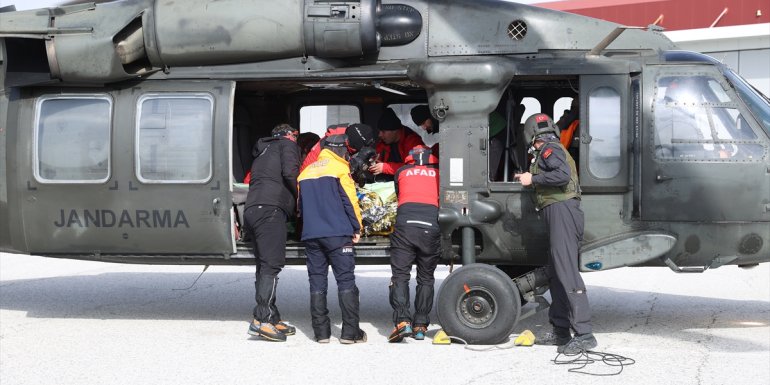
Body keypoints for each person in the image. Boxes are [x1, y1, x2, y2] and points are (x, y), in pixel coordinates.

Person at [513, 113, 597, 354]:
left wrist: (532, 178)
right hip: (556, 211)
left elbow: (562, 176)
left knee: (567, 272)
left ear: (531, 135)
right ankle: (561, 330)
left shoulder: (550, 149)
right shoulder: (549, 149)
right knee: (557, 273)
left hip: (563, 211)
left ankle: (585, 334)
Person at [297, 134, 367, 344]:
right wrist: (357, 228)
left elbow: (300, 208)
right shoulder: (340, 169)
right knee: (345, 281)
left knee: (317, 283)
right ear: (339, 150)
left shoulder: (305, 173)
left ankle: (321, 334)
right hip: (338, 234)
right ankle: (350, 333)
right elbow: (350, 201)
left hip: (311, 235)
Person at [244, 123, 300, 342]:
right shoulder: (286, 145)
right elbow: (290, 172)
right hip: (271, 209)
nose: (296, 139)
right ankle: (262, 321)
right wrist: (301, 197)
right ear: (288, 135)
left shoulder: (263, 150)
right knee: (272, 264)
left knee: (264, 265)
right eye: (295, 135)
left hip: (253, 209)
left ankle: (271, 316)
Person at [387, 146, 440, 342]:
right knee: (426, 278)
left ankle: (403, 322)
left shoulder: (401, 172)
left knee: (400, 275)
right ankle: (420, 325)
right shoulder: (438, 173)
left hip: (405, 227)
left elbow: (399, 193)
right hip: (430, 228)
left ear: (409, 158)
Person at [369, 108, 425, 181]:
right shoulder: (384, 142)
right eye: (379, 131)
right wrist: (373, 164)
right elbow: (376, 157)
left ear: (395, 130)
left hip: (410, 181)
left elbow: (415, 167)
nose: (379, 135)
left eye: (383, 131)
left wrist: (385, 168)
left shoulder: (413, 142)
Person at [300, 123, 376, 172]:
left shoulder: (343, 136)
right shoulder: (332, 145)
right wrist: (356, 163)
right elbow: (337, 171)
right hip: (310, 184)